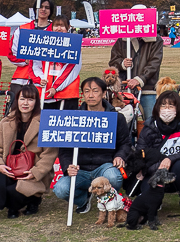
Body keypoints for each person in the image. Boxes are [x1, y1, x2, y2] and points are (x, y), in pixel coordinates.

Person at [51, 76, 131, 214]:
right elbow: (64, 149)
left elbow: (125, 143)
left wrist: (120, 156)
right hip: (80, 168)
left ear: (104, 93)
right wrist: (67, 166)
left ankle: (109, 201)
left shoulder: (116, 117)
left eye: (95, 91)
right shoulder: (74, 118)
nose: (91, 95)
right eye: (87, 91)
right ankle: (83, 200)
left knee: (114, 177)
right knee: (61, 189)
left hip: (105, 166)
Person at [0, 85, 57, 217]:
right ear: (17, 101)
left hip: (31, 168)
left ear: (36, 102)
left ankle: (33, 200)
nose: (25, 103)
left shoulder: (45, 124)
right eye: (22, 99)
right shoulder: (5, 122)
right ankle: (11, 204)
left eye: (30, 100)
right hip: (9, 167)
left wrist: (36, 172)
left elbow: (49, 155)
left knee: (15, 190)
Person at [135, 88, 180, 216]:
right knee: (148, 203)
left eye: (171, 106)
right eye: (163, 105)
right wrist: (159, 166)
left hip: (177, 171)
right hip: (153, 172)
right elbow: (140, 155)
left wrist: (170, 159)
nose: (167, 109)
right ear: (157, 107)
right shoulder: (149, 128)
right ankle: (156, 201)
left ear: (177, 108)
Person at [108, 5, 164, 123]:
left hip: (147, 88)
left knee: (150, 122)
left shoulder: (156, 40)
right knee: (125, 122)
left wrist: (140, 79)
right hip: (124, 88)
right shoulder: (122, 39)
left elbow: (154, 63)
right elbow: (113, 62)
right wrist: (122, 64)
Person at [6, 0, 53, 107]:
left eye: (47, 7)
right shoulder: (23, 29)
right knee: (16, 112)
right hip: (22, 79)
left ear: (51, 11)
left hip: (44, 80)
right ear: (35, 9)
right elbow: (11, 53)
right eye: (40, 7)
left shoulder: (55, 30)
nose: (43, 9)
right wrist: (26, 60)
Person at [32, 15, 80, 109]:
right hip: (45, 92)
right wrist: (40, 79)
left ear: (68, 27)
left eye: (62, 25)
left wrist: (56, 87)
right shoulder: (43, 42)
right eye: (56, 25)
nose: (59, 28)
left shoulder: (74, 43)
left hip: (67, 93)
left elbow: (71, 68)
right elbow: (35, 65)